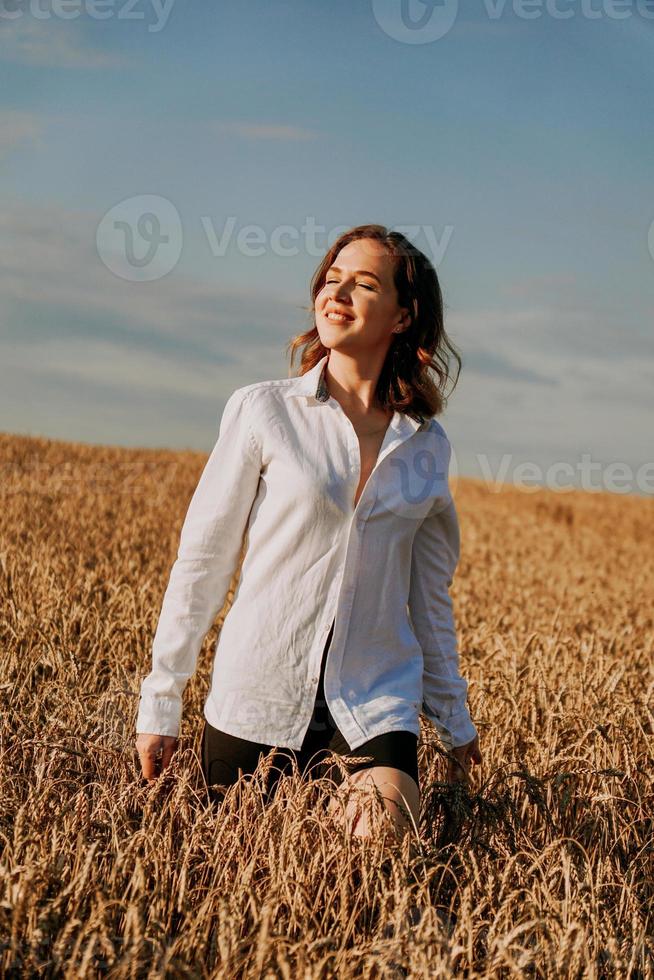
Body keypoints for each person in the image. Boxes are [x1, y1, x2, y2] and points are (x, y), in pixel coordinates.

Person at [135, 223, 482, 839]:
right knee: (254, 878)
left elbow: (430, 597)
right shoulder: (262, 409)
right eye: (331, 278)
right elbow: (203, 560)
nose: (337, 292)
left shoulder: (427, 446)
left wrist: (454, 725)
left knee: (378, 847)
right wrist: (163, 698)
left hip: (375, 699)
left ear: (403, 317)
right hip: (258, 697)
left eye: (364, 283)